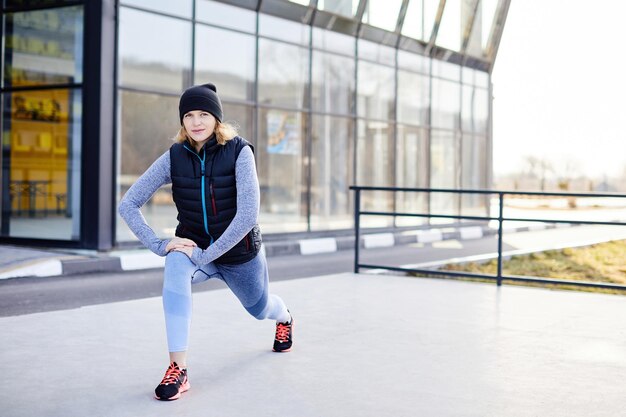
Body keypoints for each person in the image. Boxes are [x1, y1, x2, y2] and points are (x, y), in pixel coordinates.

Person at [118, 83, 293, 401]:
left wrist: (208, 255)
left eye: (203, 114)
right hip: (195, 249)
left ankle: (285, 317)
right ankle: (178, 368)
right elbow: (128, 204)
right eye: (189, 115)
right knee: (174, 261)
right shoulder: (173, 157)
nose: (196, 122)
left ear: (216, 118)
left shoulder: (240, 151)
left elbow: (247, 216)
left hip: (239, 255)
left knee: (260, 308)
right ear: (182, 121)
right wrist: (159, 244)